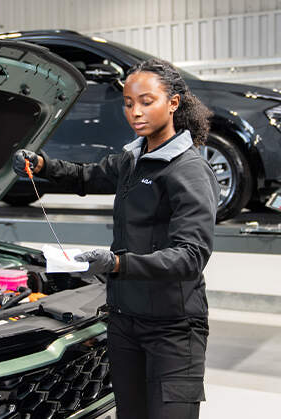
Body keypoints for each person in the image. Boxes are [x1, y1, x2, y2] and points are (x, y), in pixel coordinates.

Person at [13, 58, 219, 419]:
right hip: (125, 321)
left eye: (146, 101)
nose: (135, 112)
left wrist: (118, 263)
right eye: (127, 103)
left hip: (172, 329)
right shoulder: (133, 159)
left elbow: (190, 257)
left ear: (172, 103)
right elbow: (86, 176)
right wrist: (42, 165)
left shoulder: (188, 171)